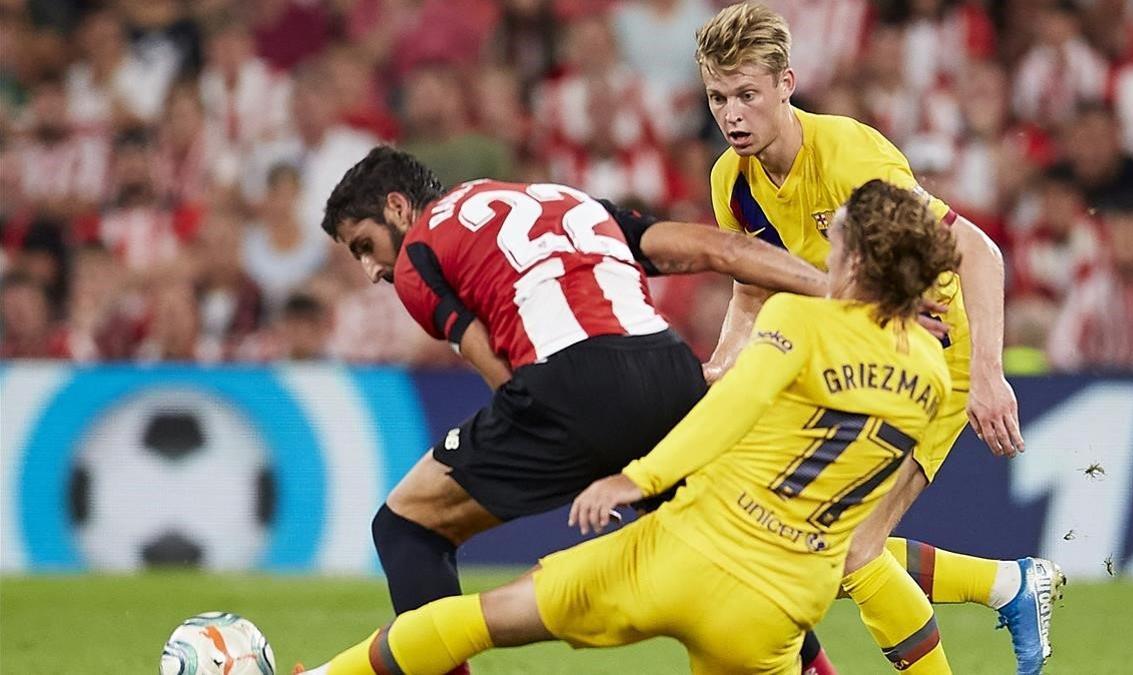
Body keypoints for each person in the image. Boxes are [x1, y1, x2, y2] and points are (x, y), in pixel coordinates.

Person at [295, 179, 960, 675]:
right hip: (774, 606)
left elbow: (729, 407)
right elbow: (716, 251)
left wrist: (630, 476)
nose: (371, 267)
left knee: (449, 582)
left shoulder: (800, 321)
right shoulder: (931, 372)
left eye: (834, 242)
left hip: (670, 550)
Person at [694, 5, 1063, 674]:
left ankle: (1009, 587)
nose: (732, 114)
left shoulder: (851, 160)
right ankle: (1011, 585)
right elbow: (751, 284)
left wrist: (986, 371)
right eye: (719, 97)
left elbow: (976, 250)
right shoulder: (734, 182)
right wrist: (721, 364)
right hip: (862, 359)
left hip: (934, 354)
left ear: (786, 84)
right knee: (818, 545)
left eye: (747, 93)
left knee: (854, 550)